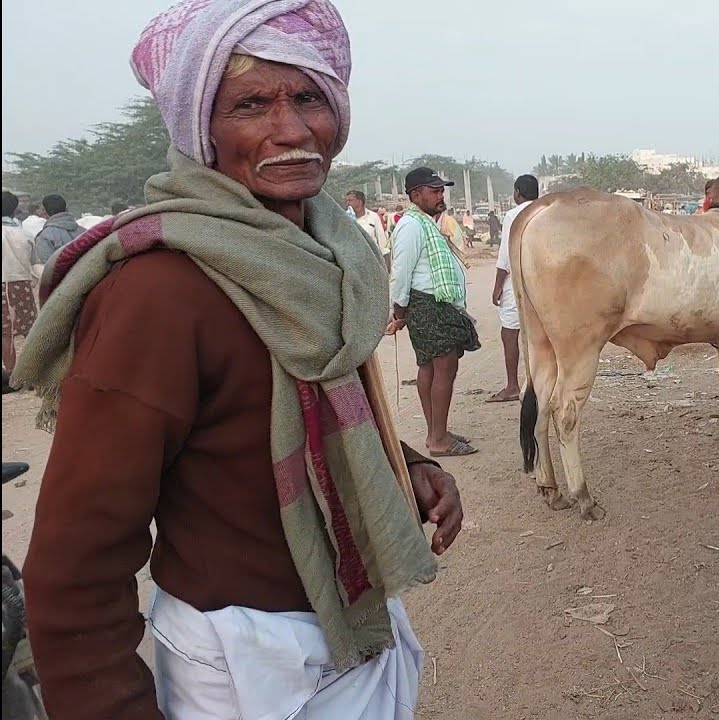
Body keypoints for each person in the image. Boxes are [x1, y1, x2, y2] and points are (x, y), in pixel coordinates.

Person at [11, 2, 463, 718]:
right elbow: (77, 565)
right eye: (250, 104)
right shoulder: (156, 293)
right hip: (246, 663)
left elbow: (289, 407)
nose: (290, 130)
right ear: (200, 128)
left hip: (349, 628)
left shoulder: (328, 254)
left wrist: (405, 465)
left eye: (309, 97)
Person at [387, 167, 480, 458]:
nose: (441, 195)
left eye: (441, 190)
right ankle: (439, 439)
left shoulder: (426, 223)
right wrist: (399, 311)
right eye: (434, 190)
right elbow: (400, 272)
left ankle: (435, 433)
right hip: (428, 305)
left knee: (430, 367)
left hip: (434, 304)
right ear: (416, 195)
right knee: (444, 368)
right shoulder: (411, 226)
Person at [488, 174, 537, 403]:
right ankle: (540, 380)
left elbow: (506, 255)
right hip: (543, 281)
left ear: (518, 193)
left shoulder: (514, 215)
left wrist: (498, 285)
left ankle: (512, 385)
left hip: (517, 280)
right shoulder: (546, 211)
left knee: (510, 332)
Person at [2, 191, 38, 376]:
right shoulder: (25, 233)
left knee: (5, 333)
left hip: (2, 285)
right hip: (22, 283)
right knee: (29, 329)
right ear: (14, 208)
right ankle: (35, 371)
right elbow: (34, 261)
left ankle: (11, 374)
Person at [31, 194, 85, 271]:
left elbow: (48, 267)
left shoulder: (45, 236)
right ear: (66, 209)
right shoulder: (85, 231)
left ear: (44, 212)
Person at [346, 189, 390, 267]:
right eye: (347, 201)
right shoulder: (346, 219)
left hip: (373, 262)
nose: (347, 203)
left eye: (350, 200)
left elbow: (382, 243)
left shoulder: (373, 217)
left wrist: (387, 268)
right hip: (354, 264)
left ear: (359, 202)